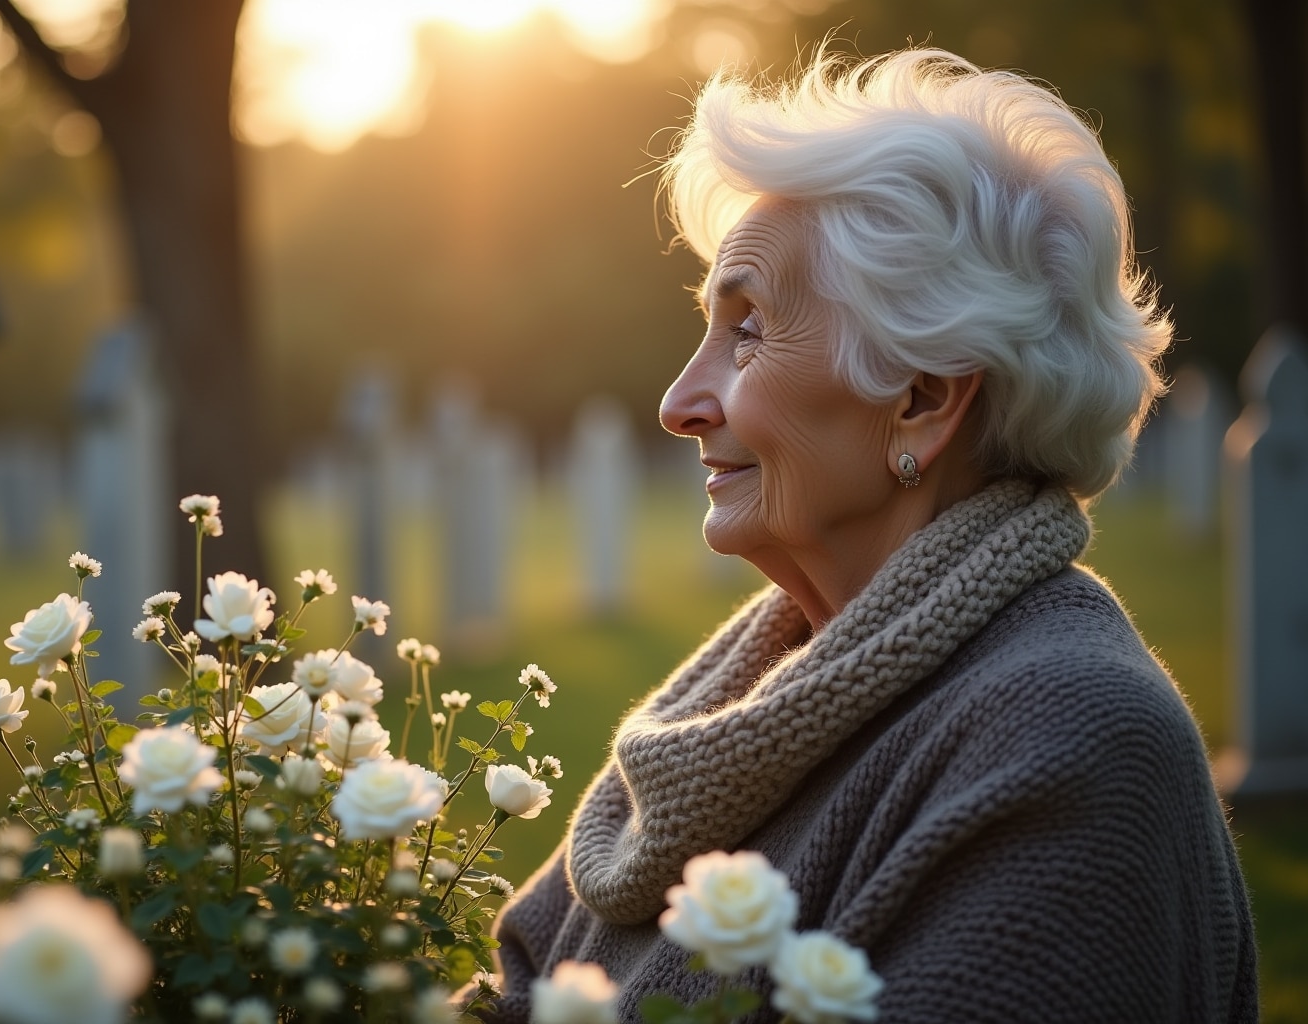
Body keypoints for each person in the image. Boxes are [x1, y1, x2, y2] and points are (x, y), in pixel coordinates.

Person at [483, 46, 1257, 1023]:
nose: (680, 401)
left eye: (749, 328)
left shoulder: (1072, 738)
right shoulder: (763, 685)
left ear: (924, 401)